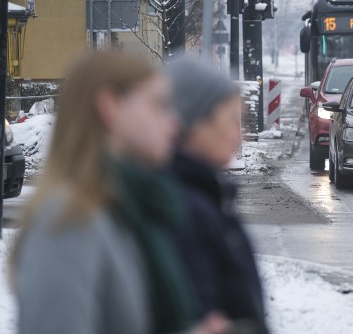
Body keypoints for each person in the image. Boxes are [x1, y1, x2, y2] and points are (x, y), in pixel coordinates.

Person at [10, 52, 228, 334]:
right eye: (158, 105)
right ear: (110, 105)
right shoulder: (67, 219)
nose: (174, 122)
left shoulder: (128, 207)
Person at [168, 60, 268, 334]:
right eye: (231, 120)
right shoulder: (184, 208)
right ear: (196, 122)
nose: (240, 136)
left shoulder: (206, 194)